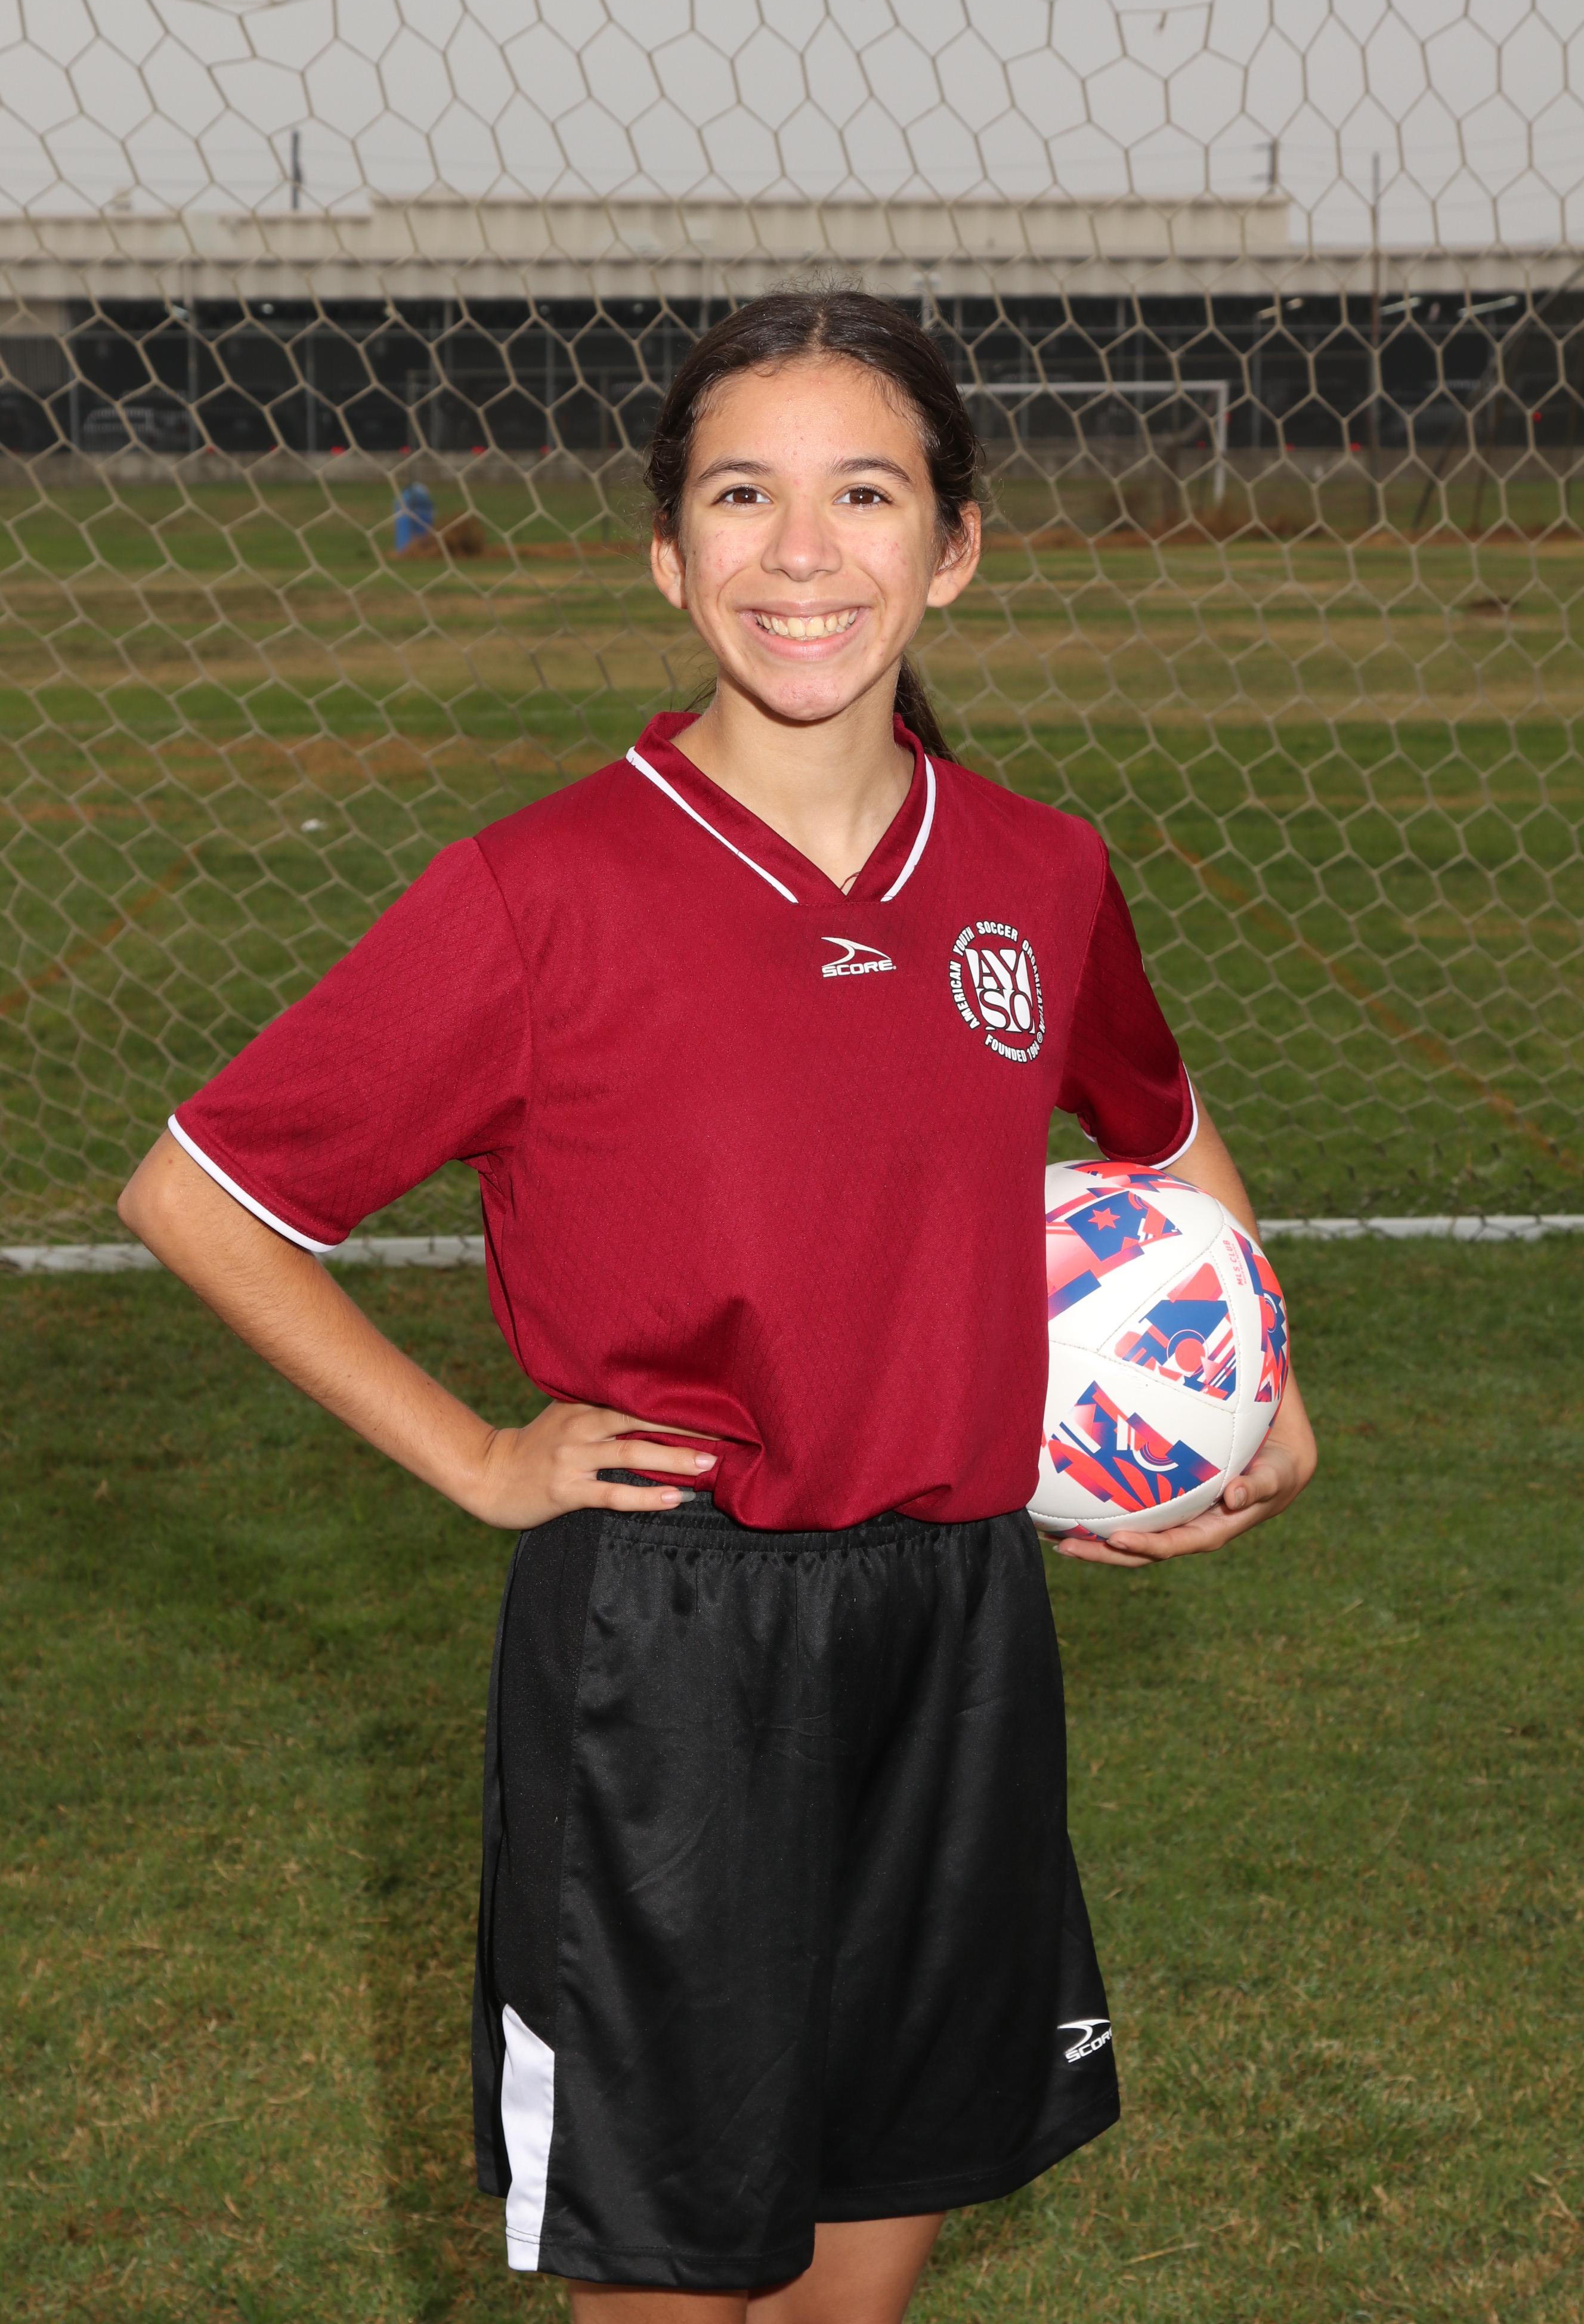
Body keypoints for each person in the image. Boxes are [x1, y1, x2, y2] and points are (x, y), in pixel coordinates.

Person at [119, 290, 1317, 2324]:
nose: (802, 552)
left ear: (954, 546)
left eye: (867, 494)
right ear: (670, 557)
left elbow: (1159, 1122)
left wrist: (1265, 1384)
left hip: (960, 1623)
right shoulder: (543, 892)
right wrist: (480, 1459)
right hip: (666, 1650)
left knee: (868, 2259)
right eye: (743, 497)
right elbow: (202, 1197)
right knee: (674, 2282)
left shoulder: (1039, 872)